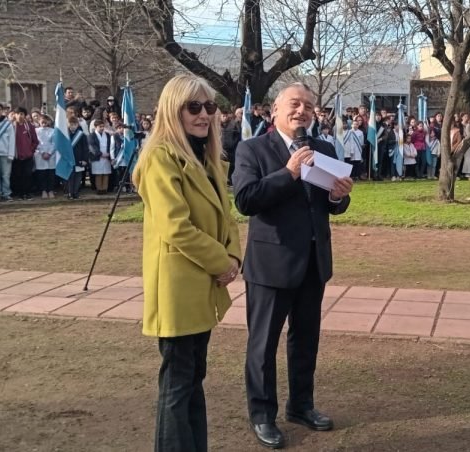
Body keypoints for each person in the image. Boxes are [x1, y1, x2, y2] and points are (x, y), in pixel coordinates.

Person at [232, 82, 353, 449]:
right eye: (294, 104)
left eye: (309, 106)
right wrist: (289, 172)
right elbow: (246, 200)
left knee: (306, 340)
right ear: (275, 111)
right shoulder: (252, 149)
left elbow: (329, 206)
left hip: (313, 262)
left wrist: (337, 197)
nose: (302, 111)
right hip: (271, 264)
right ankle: (262, 415)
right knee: (263, 344)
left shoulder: (324, 148)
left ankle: (301, 405)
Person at [132, 74, 241, 452]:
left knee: (193, 377)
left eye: (209, 107)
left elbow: (226, 217)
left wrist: (233, 256)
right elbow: (176, 226)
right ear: (172, 109)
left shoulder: (207, 158)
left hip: (202, 285)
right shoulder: (161, 157)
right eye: (193, 107)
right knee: (177, 384)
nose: (203, 115)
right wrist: (220, 262)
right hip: (179, 286)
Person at [12, 107, 39, 200]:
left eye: (22, 114)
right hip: (16, 156)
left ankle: (27, 193)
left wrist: (31, 150)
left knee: (27, 175)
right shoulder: (11, 126)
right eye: (18, 113)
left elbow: (35, 141)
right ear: (14, 115)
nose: (20, 116)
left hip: (28, 156)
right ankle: (19, 193)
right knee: (18, 175)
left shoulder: (29, 126)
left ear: (25, 115)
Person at [88, 119, 113, 194]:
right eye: (100, 126)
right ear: (95, 127)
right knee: (98, 173)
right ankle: (99, 189)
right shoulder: (91, 135)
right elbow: (92, 146)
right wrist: (100, 154)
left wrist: (109, 154)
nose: (102, 128)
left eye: (103, 126)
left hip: (107, 156)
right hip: (97, 157)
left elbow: (110, 145)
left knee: (106, 173)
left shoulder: (108, 135)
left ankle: (105, 189)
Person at [66, 117, 89, 199]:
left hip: (79, 159)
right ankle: (70, 193)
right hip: (68, 159)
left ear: (77, 125)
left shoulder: (81, 135)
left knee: (78, 176)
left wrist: (85, 159)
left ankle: (75, 192)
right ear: (68, 124)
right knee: (70, 176)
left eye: (74, 124)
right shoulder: (65, 135)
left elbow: (85, 148)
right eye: (71, 124)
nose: (73, 126)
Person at [35, 115, 57, 198]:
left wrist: (49, 153)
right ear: (39, 121)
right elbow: (36, 143)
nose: (44, 122)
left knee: (50, 174)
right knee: (42, 174)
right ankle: (43, 190)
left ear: (49, 121)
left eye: (46, 120)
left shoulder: (53, 131)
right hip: (40, 155)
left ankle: (50, 190)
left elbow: (54, 143)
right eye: (42, 120)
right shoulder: (36, 131)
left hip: (51, 155)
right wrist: (43, 152)